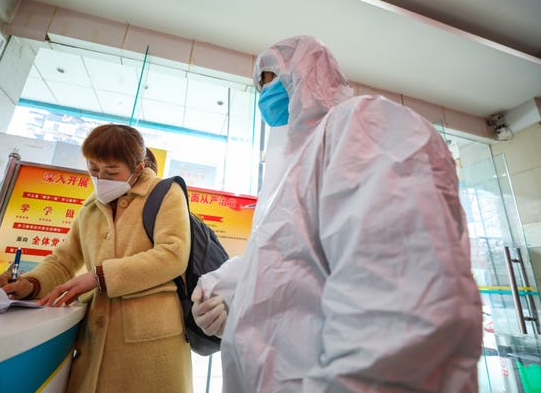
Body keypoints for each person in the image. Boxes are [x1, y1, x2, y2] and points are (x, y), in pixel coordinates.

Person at [191, 35, 482, 392]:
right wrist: (228, 299)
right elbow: (289, 270)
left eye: (268, 79)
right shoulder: (289, 174)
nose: (262, 93)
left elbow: (403, 302)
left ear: (304, 72)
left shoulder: (362, 127)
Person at [0, 124, 193, 393]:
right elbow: (64, 259)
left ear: (137, 167)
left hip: (151, 341)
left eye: (111, 172)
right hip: (96, 338)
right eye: (94, 170)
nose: (101, 179)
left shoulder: (167, 193)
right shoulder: (91, 207)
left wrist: (100, 275)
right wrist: (31, 283)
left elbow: (172, 255)